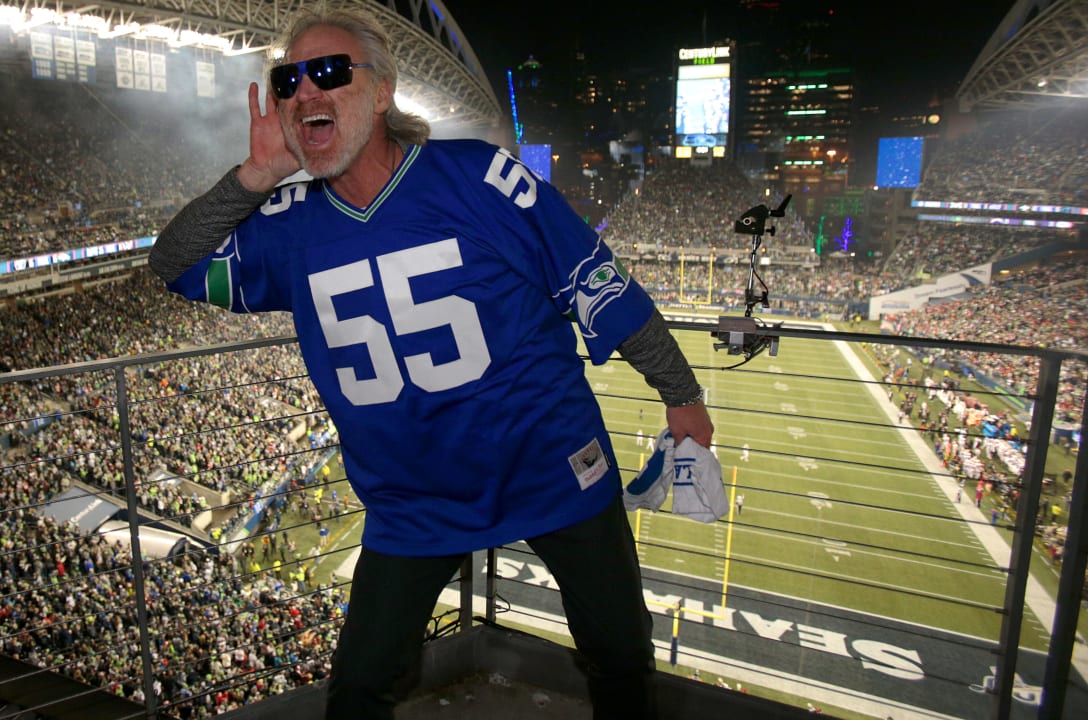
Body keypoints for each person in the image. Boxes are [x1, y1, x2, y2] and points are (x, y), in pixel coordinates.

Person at [148, 7, 713, 719]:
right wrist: (255, 175)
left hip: (552, 466)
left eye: (329, 72)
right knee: (358, 688)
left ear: (382, 93)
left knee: (621, 656)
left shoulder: (478, 179)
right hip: (414, 501)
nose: (306, 93)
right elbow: (171, 263)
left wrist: (681, 391)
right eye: (288, 80)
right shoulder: (287, 227)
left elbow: (599, 287)